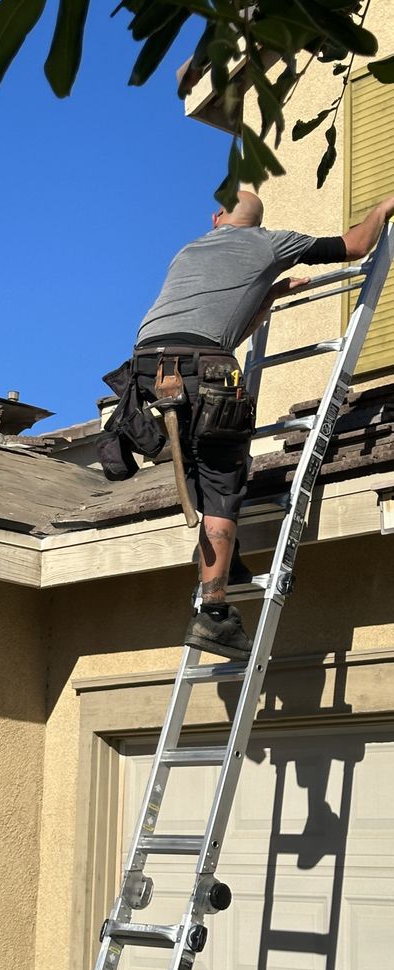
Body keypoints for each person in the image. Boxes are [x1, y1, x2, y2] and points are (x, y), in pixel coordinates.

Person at [132, 189, 394, 661]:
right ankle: (213, 616)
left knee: (196, 465)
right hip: (206, 369)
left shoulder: (189, 250)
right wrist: (382, 209)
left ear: (216, 218)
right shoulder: (269, 243)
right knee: (221, 481)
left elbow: (222, 329)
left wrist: (268, 295)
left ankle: (220, 568)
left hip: (151, 369)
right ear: (258, 222)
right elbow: (355, 247)